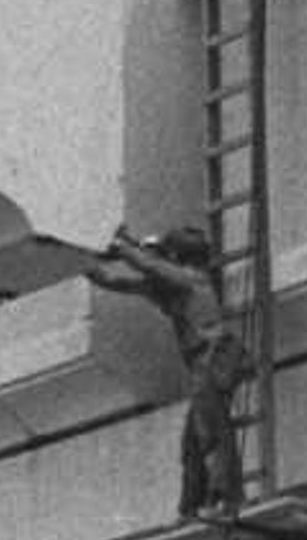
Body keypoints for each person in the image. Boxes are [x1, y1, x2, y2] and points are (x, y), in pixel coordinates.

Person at [83, 218, 246, 516]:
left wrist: (121, 246)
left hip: (214, 356)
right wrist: (82, 264)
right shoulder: (171, 286)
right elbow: (117, 281)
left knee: (211, 428)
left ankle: (225, 497)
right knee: (194, 440)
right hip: (204, 361)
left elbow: (150, 267)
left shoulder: (190, 278)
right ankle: (192, 505)